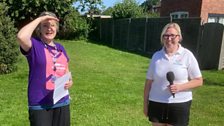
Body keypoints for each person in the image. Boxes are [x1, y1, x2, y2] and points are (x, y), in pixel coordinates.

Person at [17, 11, 73, 126]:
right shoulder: (34, 45)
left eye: (52, 25)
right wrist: (39, 19)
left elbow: (66, 70)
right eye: (45, 25)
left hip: (61, 101)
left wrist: (70, 81)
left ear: (56, 28)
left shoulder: (60, 48)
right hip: (40, 103)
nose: (49, 29)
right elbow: (21, 36)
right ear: (39, 29)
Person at [143, 23, 203, 126]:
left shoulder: (187, 55)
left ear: (179, 37)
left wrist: (180, 87)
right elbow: (149, 82)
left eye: (172, 35)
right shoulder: (156, 56)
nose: (169, 38)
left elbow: (199, 80)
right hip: (157, 102)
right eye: (166, 36)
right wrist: (145, 104)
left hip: (179, 104)